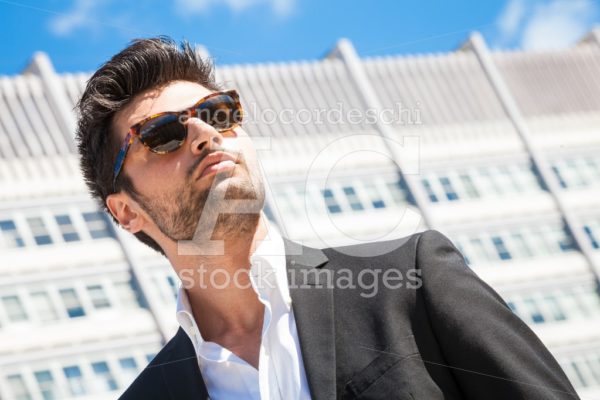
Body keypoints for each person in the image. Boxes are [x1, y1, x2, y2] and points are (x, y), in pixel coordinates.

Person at [75, 36, 579, 400]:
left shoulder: (414, 282)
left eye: (219, 112)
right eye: (162, 133)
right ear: (126, 211)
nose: (206, 134)